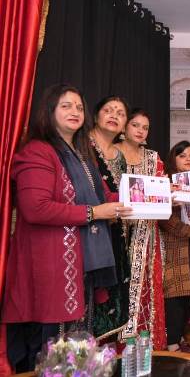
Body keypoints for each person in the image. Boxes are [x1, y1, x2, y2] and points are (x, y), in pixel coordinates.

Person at [3, 84, 131, 372]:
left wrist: (156, 197)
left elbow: (105, 197)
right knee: (47, 351)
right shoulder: (38, 151)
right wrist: (93, 213)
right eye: (66, 106)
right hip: (49, 268)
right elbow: (35, 208)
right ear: (49, 111)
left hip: (80, 266)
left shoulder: (83, 155)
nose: (75, 111)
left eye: (79, 107)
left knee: (76, 348)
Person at [116, 108, 167, 349]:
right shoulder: (111, 154)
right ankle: (119, 347)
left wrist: (169, 194)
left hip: (147, 234)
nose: (140, 131)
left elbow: (160, 192)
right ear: (125, 127)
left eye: (145, 127)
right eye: (135, 125)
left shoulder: (153, 158)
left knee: (147, 286)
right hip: (117, 230)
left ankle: (146, 345)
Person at [89, 96, 131, 340]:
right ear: (96, 116)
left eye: (120, 113)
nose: (114, 115)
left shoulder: (119, 156)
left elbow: (126, 195)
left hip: (115, 232)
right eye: (109, 110)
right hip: (89, 232)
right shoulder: (81, 148)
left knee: (114, 302)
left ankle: (104, 355)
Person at [159, 141, 190, 352]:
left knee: (186, 293)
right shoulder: (166, 182)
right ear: (173, 158)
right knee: (174, 294)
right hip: (172, 246)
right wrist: (188, 231)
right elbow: (163, 218)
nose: (188, 160)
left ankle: (178, 336)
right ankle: (172, 343)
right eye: (182, 156)